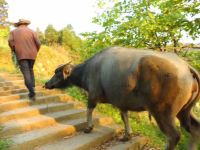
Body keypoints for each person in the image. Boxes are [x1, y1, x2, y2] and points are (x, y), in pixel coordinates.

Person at [8, 19, 41, 101]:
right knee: (30, 69)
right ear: (26, 24)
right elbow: (38, 43)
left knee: (26, 72)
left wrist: (14, 49)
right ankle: (32, 86)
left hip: (21, 54)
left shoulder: (13, 32)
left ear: (18, 24)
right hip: (33, 54)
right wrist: (35, 50)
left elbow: (10, 41)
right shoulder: (32, 31)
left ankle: (31, 92)